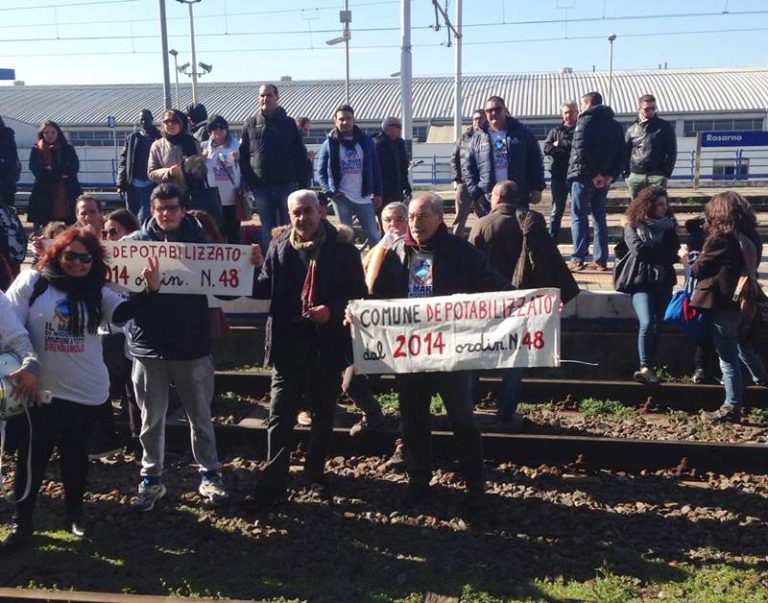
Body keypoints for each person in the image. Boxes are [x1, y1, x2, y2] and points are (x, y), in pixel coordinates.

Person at [2, 228, 159, 553]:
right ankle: (23, 520)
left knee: (76, 457)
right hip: (38, 389)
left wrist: (150, 290)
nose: (76, 263)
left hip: (85, 389)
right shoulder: (33, 283)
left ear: (93, 261)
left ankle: (74, 515)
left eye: (84, 258)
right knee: (32, 458)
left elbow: (124, 312)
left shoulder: (97, 291)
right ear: (56, 253)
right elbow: (12, 328)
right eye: (69, 255)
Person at [366, 192, 509, 504]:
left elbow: (495, 287)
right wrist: (359, 311)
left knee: (461, 417)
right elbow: (376, 292)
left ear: (440, 218)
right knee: (413, 416)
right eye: (412, 217)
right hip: (411, 351)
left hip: (451, 352)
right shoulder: (395, 252)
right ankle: (418, 478)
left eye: (422, 217)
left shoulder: (461, 252)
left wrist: (531, 304)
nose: (415, 224)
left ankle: (474, 481)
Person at [248, 189, 366, 504]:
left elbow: (359, 295)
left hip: (325, 347)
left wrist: (332, 309)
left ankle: (315, 474)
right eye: (296, 213)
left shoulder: (343, 250)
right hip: (288, 347)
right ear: (289, 216)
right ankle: (274, 480)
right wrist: (252, 267)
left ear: (321, 211)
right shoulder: (278, 246)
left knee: (323, 414)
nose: (302, 218)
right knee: (279, 416)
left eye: (307, 211)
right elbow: (263, 290)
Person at [125, 184, 230, 511]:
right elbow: (122, 294)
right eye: (160, 208)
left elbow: (227, 291)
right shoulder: (134, 246)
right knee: (150, 419)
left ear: (183, 209)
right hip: (148, 345)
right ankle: (151, 479)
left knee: (200, 416)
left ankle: (210, 474)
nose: (166, 214)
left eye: (172, 207)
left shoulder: (203, 245)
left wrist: (247, 265)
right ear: (152, 210)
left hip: (191, 344)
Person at [686, 192, 768, 422]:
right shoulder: (752, 236)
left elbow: (698, 270)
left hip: (724, 304)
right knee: (743, 343)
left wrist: (687, 258)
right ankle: (762, 380)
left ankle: (732, 406)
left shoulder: (720, 238)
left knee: (727, 357)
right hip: (746, 300)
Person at [619, 187, 680, 384]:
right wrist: (661, 253)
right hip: (640, 281)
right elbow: (638, 250)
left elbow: (673, 252)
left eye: (665, 204)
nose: (664, 208)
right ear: (649, 205)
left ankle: (651, 367)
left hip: (663, 281)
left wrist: (657, 252)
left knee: (657, 324)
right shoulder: (632, 225)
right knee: (647, 321)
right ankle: (645, 365)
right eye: (660, 204)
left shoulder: (669, 226)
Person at [239, 84, 308, 252]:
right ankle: (268, 266)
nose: (265, 98)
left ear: (277, 98)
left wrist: (302, 183)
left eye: (269, 95)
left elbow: (300, 155)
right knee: (267, 230)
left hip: (286, 185)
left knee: (290, 227)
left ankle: (291, 261)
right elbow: (244, 155)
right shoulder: (250, 124)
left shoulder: (289, 123)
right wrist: (250, 181)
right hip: (261, 188)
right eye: (262, 95)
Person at [566, 92, 625, 272]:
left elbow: (580, 150)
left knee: (578, 216)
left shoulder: (584, 122)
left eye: (582, 104)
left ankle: (577, 258)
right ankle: (600, 260)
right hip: (604, 180)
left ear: (588, 103)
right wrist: (609, 176)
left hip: (584, 177)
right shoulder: (615, 125)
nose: (581, 108)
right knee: (600, 218)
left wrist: (593, 174)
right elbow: (621, 153)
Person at [100, 209, 142, 447]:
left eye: (114, 231)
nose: (109, 237)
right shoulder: (96, 260)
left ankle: (137, 439)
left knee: (134, 390)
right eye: (104, 232)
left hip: (136, 333)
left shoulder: (144, 256)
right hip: (110, 333)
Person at [462, 95, 545, 212]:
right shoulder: (477, 138)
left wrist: (537, 188)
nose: (494, 113)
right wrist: (476, 193)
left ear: (505, 110)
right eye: (489, 111)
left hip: (518, 196)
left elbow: (536, 161)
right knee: (492, 229)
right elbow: (468, 167)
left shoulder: (523, 133)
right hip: (489, 199)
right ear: (486, 114)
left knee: (518, 229)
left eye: (497, 109)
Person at [318, 104, 383, 246]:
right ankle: (347, 265)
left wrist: (378, 192)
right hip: (341, 197)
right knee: (344, 237)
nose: (345, 122)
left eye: (348, 118)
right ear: (335, 121)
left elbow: (376, 168)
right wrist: (330, 192)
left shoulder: (366, 142)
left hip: (363, 196)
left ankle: (378, 267)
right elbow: (321, 172)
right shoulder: (329, 144)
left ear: (354, 120)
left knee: (373, 234)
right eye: (341, 119)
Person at [27, 121, 82, 232]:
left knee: (71, 222)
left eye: (52, 132)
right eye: (46, 132)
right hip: (44, 192)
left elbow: (73, 167)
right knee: (46, 224)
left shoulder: (67, 148)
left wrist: (51, 170)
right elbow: (37, 170)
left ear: (58, 132)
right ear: (42, 134)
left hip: (67, 191)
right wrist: (60, 174)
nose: (49, 135)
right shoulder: (37, 150)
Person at [624, 94, 677, 199]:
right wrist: (626, 175)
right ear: (639, 109)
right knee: (636, 208)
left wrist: (666, 175)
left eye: (653, 108)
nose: (651, 111)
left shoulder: (664, 127)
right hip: (635, 176)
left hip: (657, 175)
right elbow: (625, 153)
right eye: (647, 109)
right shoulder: (631, 129)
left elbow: (672, 152)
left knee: (657, 206)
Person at [201, 114, 242, 244]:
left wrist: (239, 157)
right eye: (214, 128)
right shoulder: (204, 147)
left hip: (232, 197)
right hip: (213, 198)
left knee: (233, 232)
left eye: (221, 127)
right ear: (209, 131)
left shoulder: (236, 145)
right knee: (216, 233)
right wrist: (200, 160)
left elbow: (247, 166)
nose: (218, 130)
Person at [117, 109, 161, 225]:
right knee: (131, 218)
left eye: (146, 119)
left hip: (150, 185)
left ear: (152, 119)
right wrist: (120, 182)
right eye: (141, 119)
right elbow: (123, 160)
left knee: (144, 217)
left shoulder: (159, 137)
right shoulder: (132, 138)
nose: (144, 121)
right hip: (132, 185)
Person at [450, 109, 487, 237]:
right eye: (475, 118)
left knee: (483, 215)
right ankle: (456, 243)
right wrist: (458, 179)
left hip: (482, 184)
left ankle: (482, 241)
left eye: (481, 118)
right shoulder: (463, 138)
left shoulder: (488, 137)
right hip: (464, 183)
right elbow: (454, 159)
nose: (478, 121)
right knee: (460, 216)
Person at [543, 101, 577, 239]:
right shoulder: (555, 131)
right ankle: (552, 241)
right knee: (556, 210)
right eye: (565, 112)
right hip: (558, 176)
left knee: (578, 212)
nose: (568, 115)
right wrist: (562, 150)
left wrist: (561, 144)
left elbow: (578, 147)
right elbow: (547, 148)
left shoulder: (581, 130)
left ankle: (582, 244)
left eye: (571, 112)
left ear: (576, 112)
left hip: (576, 176)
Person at [374, 116, 411, 211]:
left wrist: (406, 186)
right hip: (384, 189)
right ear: (388, 127)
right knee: (385, 215)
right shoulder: (378, 144)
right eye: (398, 126)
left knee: (399, 213)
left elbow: (403, 166)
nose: (400, 129)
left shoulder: (400, 143)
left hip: (397, 188)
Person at [0, 116, 21, 207]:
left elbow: (10, 161)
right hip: (6, 185)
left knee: (6, 215)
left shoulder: (7, 137)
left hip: (4, 186)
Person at [295, 116, 315, 188]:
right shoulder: (292, 140)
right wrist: (306, 157)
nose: (306, 133)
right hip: (298, 181)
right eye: (305, 130)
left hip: (302, 179)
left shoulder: (299, 140)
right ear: (299, 126)